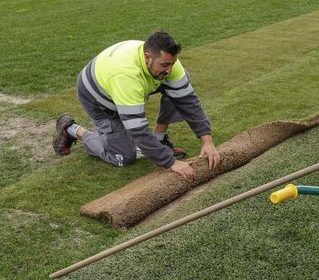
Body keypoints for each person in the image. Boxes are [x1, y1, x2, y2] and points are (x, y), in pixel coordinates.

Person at [53, 32, 221, 181]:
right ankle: (73, 129)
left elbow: (187, 101)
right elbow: (137, 129)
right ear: (148, 57)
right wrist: (170, 162)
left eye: (171, 64)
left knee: (179, 87)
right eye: (164, 65)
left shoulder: (167, 63)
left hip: (123, 86)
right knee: (124, 157)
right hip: (98, 99)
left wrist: (207, 141)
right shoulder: (126, 76)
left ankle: (159, 139)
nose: (169, 70)